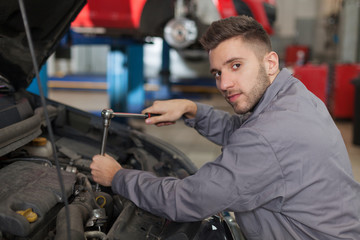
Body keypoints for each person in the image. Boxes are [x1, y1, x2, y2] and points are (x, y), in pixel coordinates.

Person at [90, 16, 360, 239]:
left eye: (236, 66)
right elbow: (245, 133)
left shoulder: (268, 136)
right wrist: (191, 109)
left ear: (270, 63)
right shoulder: (294, 96)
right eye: (218, 72)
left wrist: (118, 177)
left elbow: (186, 200)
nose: (224, 84)